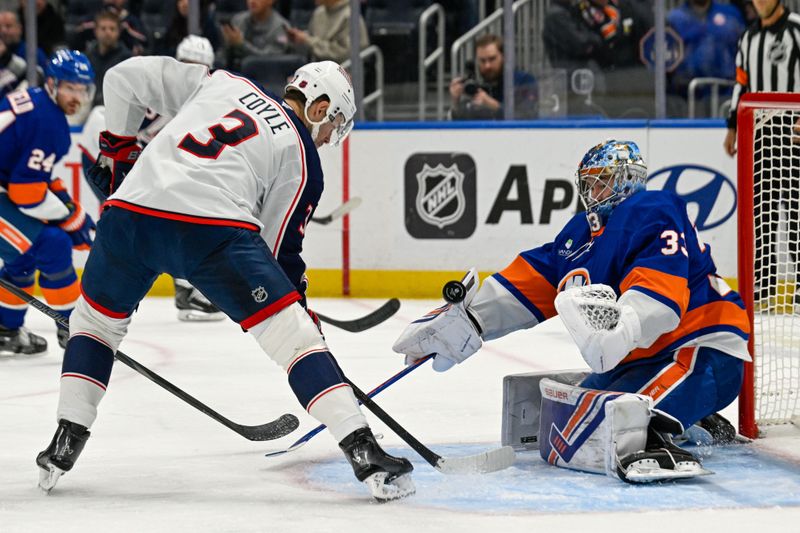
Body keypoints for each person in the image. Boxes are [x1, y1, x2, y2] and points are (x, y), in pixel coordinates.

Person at [36, 58, 415, 502]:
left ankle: (65, 440)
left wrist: (118, 152)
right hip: (210, 231)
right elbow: (278, 254)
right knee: (294, 342)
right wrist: (300, 314)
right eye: (333, 126)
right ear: (319, 106)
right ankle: (365, 452)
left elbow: (122, 77)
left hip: (129, 214)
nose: (330, 138)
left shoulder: (220, 82)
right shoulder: (302, 156)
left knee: (94, 325)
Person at [393, 140, 749, 482]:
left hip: (703, 345)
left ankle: (667, 432)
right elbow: (532, 281)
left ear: (628, 179)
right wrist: (467, 320)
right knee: (573, 418)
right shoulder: (579, 236)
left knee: (620, 426)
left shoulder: (652, 209)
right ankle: (693, 418)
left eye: (603, 181)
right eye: (589, 183)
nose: (593, 191)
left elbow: (660, 296)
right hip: (646, 357)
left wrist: (621, 328)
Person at [79, 35, 225, 322]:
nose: (191, 71)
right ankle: (108, 297)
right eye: (187, 64)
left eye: (199, 66)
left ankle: (180, 290)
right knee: (138, 221)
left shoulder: (201, 100)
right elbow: (104, 116)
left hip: (132, 161)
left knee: (162, 216)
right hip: (105, 156)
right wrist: (113, 156)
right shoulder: (162, 94)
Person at [0, 50, 95, 356]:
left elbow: (35, 179)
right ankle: (74, 327)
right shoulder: (48, 122)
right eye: (70, 87)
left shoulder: (40, 104)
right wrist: (68, 219)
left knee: (23, 257)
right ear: (52, 83)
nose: (76, 96)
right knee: (51, 243)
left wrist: (70, 208)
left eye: (83, 89)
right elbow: (26, 194)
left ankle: (5, 328)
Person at [724, 0, 800, 303]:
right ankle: (763, 285)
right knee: (761, 211)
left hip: (794, 135)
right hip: (760, 133)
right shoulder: (748, 37)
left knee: (795, 211)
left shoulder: (797, 30)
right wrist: (732, 126)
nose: (760, 2)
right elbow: (740, 84)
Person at [667, 0, 745, 103]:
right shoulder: (674, 19)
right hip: (686, 97)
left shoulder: (731, 14)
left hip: (728, 94)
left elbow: (745, 52)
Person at [449, 33, 538, 120]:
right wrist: (456, 102)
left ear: (504, 57)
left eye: (492, 59)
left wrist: (494, 106)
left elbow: (527, 116)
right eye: (482, 61)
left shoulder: (523, 80)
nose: (487, 66)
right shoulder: (474, 85)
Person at [286, 0, 369, 64]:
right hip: (317, 70)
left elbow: (344, 54)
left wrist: (307, 40)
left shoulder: (350, 16)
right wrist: (300, 38)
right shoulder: (319, 12)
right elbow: (312, 40)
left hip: (343, 73)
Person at [218, 0, 290, 71]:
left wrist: (241, 45)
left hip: (266, 77)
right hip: (236, 74)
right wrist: (229, 44)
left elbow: (268, 61)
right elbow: (223, 57)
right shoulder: (238, 20)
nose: (252, 1)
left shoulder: (281, 27)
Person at [85, 10, 133, 106]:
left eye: (112, 29)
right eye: (103, 28)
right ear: (96, 31)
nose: (108, 33)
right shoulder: (87, 56)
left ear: (118, 32)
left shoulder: (127, 59)